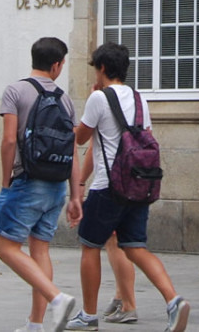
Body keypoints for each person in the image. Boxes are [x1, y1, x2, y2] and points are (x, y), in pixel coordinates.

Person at [70, 42, 190, 332]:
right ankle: (173, 300)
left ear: (102, 68)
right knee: (136, 247)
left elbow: (81, 138)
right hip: (137, 186)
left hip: (108, 186)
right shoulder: (139, 99)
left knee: (89, 246)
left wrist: (90, 100)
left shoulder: (99, 99)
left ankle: (88, 315)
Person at [0, 37, 83, 332]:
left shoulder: (15, 91)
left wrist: (6, 181)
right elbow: (72, 151)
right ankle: (35, 324)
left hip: (26, 182)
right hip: (56, 187)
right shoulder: (65, 99)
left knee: (5, 248)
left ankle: (57, 298)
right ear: (56, 65)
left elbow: (9, 140)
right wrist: (75, 196)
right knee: (40, 250)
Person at [65, 141, 139, 330]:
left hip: (110, 184)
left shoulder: (103, 109)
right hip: (133, 181)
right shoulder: (140, 109)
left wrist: (79, 182)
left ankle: (127, 304)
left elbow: (84, 141)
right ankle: (121, 296)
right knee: (117, 241)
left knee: (103, 242)